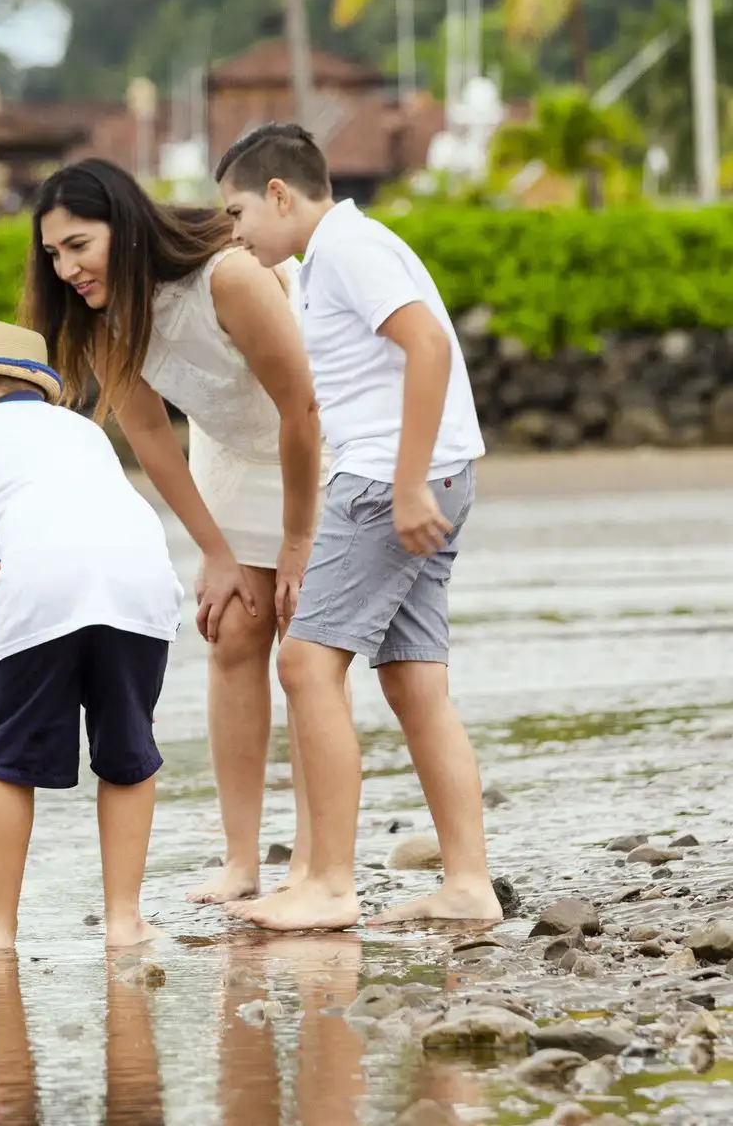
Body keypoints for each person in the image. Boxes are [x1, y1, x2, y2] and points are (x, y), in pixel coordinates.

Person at [214, 123, 501, 930]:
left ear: (279, 194)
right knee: (412, 680)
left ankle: (330, 885)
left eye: (237, 213)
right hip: (430, 471)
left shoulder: (347, 248)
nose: (234, 234)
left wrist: (408, 483)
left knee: (305, 663)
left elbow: (430, 347)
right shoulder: (321, 261)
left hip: (388, 479)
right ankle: (468, 883)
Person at [22, 158, 323, 905]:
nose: (66, 269)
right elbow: (153, 439)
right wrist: (216, 554)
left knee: (307, 655)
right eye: (53, 254)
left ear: (123, 227)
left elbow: (304, 409)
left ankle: (316, 862)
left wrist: (297, 542)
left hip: (312, 448)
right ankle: (241, 860)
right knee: (233, 637)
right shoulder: (98, 319)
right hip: (227, 451)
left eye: (79, 246)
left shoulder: (229, 278)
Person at [0, 318, 183, 949]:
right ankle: (125, 921)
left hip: (40, 583)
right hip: (143, 583)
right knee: (128, 751)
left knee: (8, 761)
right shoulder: (83, 430)